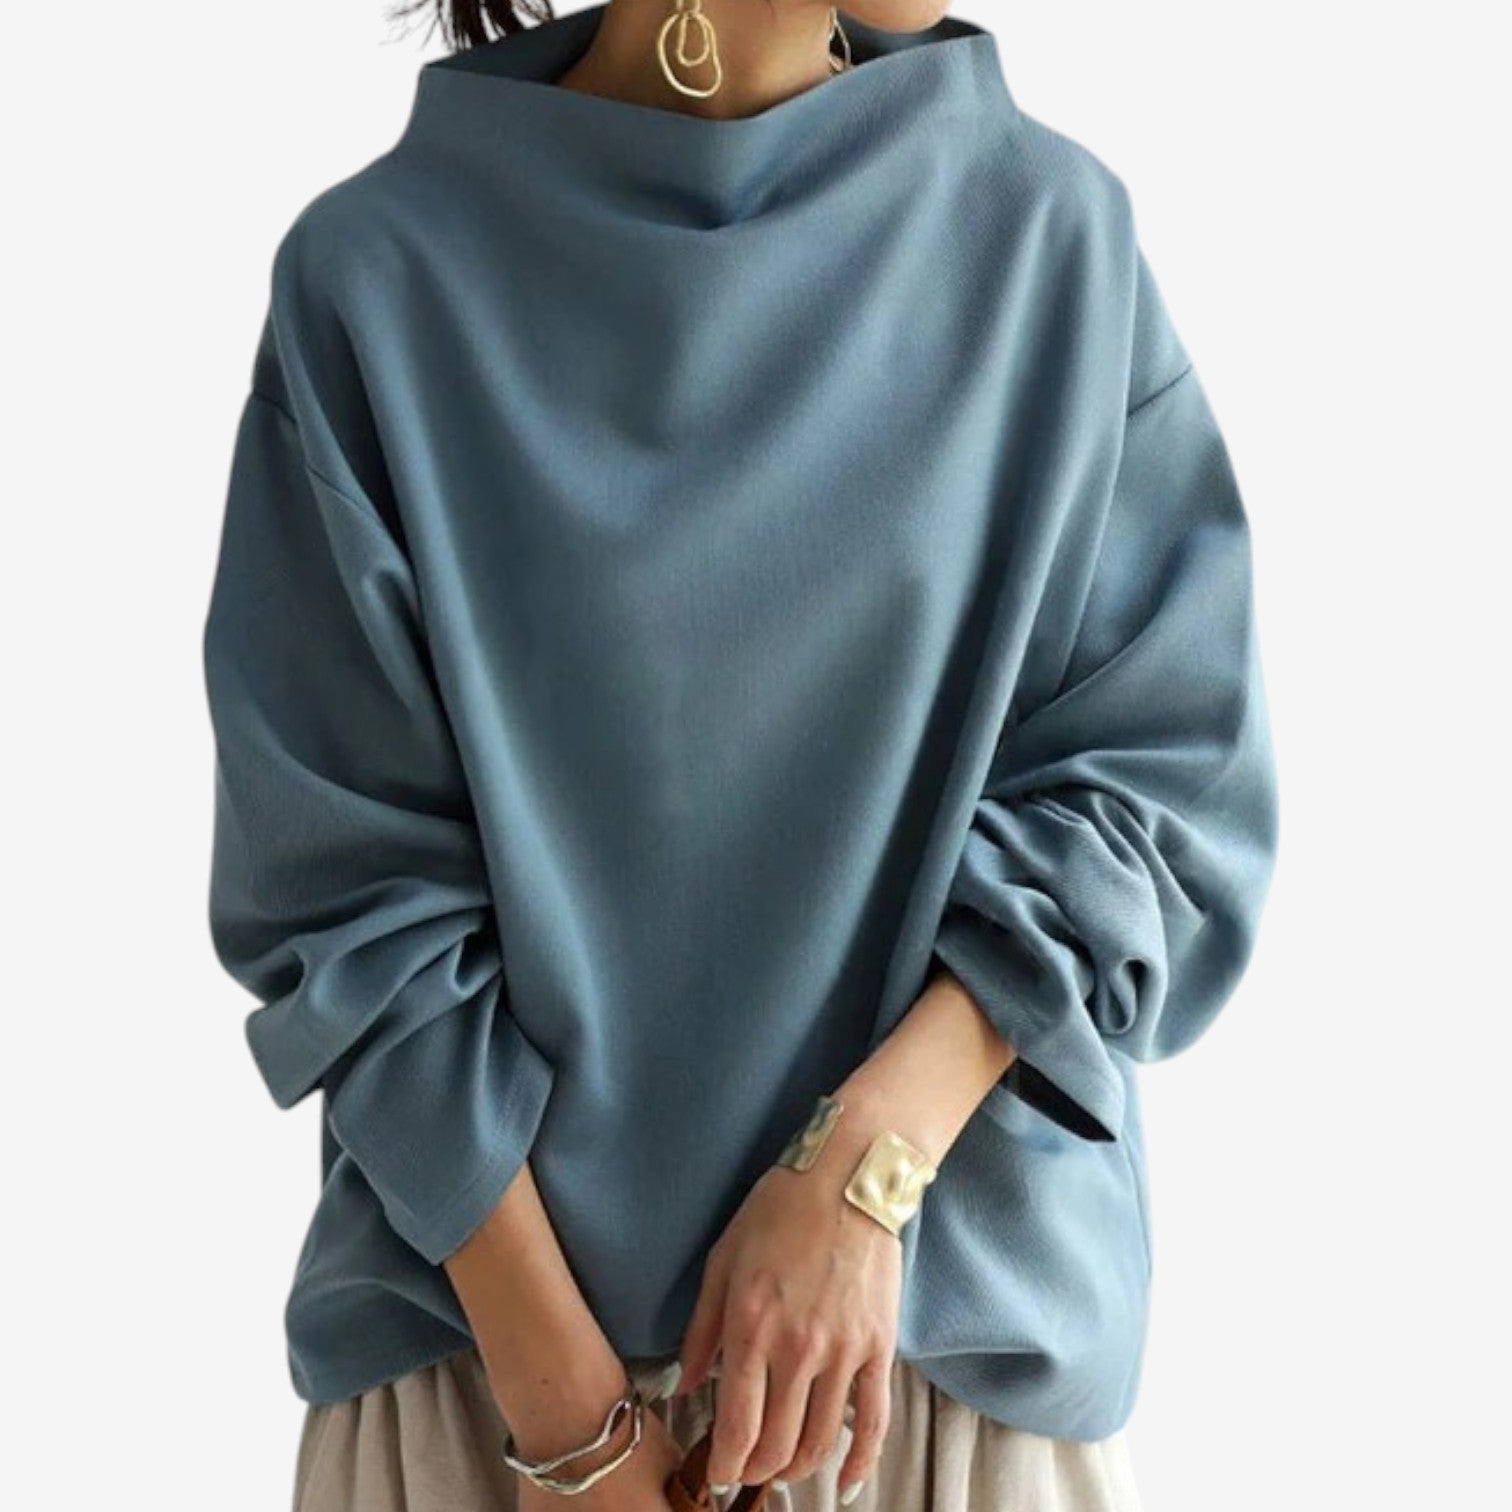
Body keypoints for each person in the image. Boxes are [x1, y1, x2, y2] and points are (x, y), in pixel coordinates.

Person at [200, 2, 1279, 1509]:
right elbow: (344, 900)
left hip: (932, 1390)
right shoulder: (381, 280)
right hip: (493, 1406)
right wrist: (575, 1424)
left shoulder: (1048, 247)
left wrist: (861, 1177)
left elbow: (1156, 800)